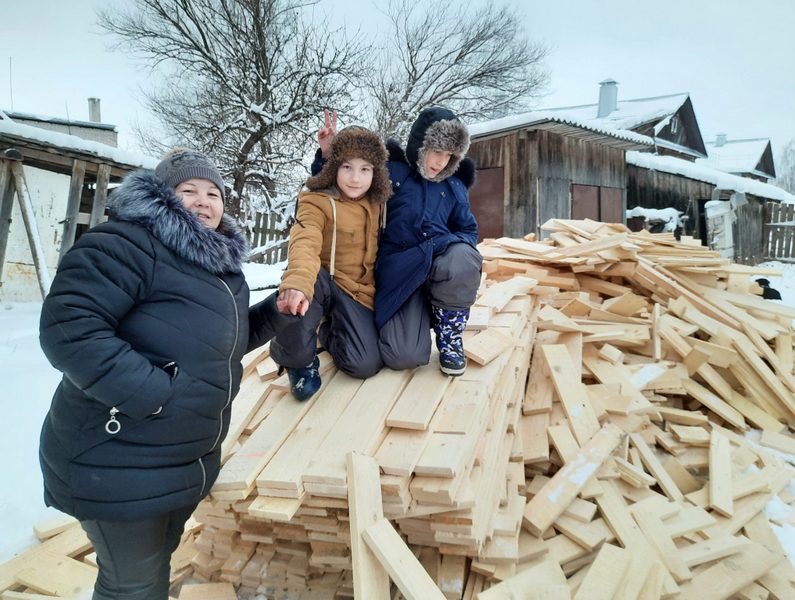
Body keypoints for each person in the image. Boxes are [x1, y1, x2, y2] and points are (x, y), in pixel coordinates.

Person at [38, 148, 290, 600]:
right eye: (189, 190)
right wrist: (153, 393)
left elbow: (216, 346)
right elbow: (69, 328)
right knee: (130, 586)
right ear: (162, 196)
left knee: (149, 575)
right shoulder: (124, 244)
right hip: (115, 458)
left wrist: (276, 314)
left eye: (213, 193)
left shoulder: (217, 268)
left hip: (177, 461)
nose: (204, 201)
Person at [313, 106, 482, 376]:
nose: (441, 162)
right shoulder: (392, 172)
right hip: (400, 272)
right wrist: (327, 157)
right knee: (403, 356)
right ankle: (333, 328)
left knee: (463, 256)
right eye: (437, 151)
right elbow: (347, 187)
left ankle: (449, 336)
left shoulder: (454, 187)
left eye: (449, 155)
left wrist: (440, 247)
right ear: (421, 144)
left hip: (436, 268)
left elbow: (468, 231)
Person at [272, 125, 392, 400]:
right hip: (321, 282)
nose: (355, 178)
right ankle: (295, 359)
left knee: (364, 364)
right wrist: (297, 283)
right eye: (347, 167)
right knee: (303, 284)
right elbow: (305, 240)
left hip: (356, 291)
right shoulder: (316, 199)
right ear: (335, 166)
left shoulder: (379, 202)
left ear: (375, 172)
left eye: (365, 169)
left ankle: (326, 330)